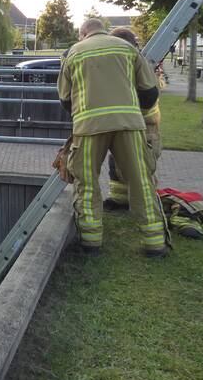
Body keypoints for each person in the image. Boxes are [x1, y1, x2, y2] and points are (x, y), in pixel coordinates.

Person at [57, 18, 169, 256]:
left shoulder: (73, 53)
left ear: (83, 33)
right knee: (141, 180)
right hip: (129, 124)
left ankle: (91, 242)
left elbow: (65, 100)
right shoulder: (127, 48)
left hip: (88, 127)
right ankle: (154, 242)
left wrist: (85, 111)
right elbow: (149, 93)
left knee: (86, 182)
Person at [102, 28, 202, 239]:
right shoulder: (129, 62)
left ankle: (153, 215)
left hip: (144, 128)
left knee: (141, 172)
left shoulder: (137, 65)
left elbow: (145, 97)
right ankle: (120, 199)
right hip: (129, 125)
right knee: (117, 166)